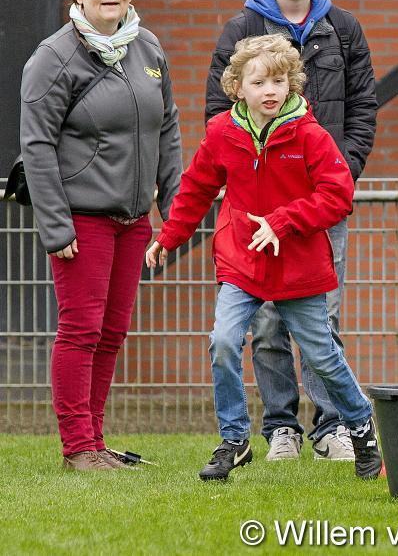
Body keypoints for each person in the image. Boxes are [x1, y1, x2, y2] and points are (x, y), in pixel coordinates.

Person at [148, 34, 381, 481]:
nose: (270, 91)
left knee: (322, 356)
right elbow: (196, 187)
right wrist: (170, 236)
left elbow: (338, 195)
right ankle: (234, 439)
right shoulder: (222, 133)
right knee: (223, 341)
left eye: (278, 81)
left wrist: (283, 221)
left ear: (292, 83)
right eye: (258, 82)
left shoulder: (309, 135)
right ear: (237, 87)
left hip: (299, 267)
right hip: (242, 263)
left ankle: (361, 425)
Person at [205, 0, 378, 461]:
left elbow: (364, 107)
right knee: (265, 324)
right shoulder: (241, 29)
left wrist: (342, 174)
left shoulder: (343, 28)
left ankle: (333, 427)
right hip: (258, 211)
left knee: (321, 318)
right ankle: (281, 426)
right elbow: (217, 112)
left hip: (320, 206)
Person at [19, 0, 182, 471]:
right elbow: (37, 145)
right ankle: (77, 447)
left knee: (111, 334)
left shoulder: (148, 48)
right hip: (80, 220)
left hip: (133, 221)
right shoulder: (53, 57)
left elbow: (168, 127)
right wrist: (55, 225)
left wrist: (174, 208)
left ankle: (95, 440)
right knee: (81, 331)